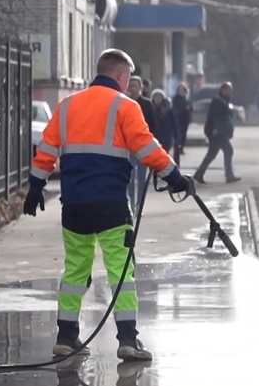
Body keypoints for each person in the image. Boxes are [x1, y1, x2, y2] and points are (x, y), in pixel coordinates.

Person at [25, 49, 195, 361]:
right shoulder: (125, 107)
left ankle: (66, 338)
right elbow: (147, 148)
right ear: (120, 75)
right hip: (112, 205)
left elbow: (46, 150)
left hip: (74, 204)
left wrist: (35, 187)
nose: (129, 82)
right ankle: (128, 340)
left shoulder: (66, 107)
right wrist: (174, 177)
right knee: (121, 271)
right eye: (128, 77)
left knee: (75, 269)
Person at [193, 81, 241, 184]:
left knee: (212, 154)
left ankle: (199, 174)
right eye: (228, 90)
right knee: (228, 151)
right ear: (223, 90)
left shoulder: (223, 100)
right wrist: (215, 129)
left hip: (220, 131)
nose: (230, 92)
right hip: (218, 132)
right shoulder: (218, 101)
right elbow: (214, 116)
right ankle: (229, 176)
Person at [126, 76, 159, 210]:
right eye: (131, 85)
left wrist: (153, 144)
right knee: (130, 178)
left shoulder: (146, 104)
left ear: (140, 88)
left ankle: (140, 204)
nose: (133, 88)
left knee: (141, 178)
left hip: (144, 146)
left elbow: (153, 125)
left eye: (135, 86)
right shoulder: (125, 103)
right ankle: (131, 204)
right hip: (129, 147)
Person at [150, 89, 178, 154]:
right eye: (155, 97)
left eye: (159, 97)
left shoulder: (168, 109)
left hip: (166, 135)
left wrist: (176, 135)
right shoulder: (150, 108)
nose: (157, 99)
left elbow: (174, 122)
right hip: (155, 135)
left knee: (165, 152)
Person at [170, 83, 192, 163]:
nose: (181, 91)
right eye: (180, 89)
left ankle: (182, 147)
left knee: (184, 134)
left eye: (183, 89)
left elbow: (190, 107)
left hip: (185, 119)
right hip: (178, 119)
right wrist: (183, 109)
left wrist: (189, 109)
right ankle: (178, 147)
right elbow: (175, 108)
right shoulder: (176, 98)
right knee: (178, 134)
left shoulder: (186, 98)